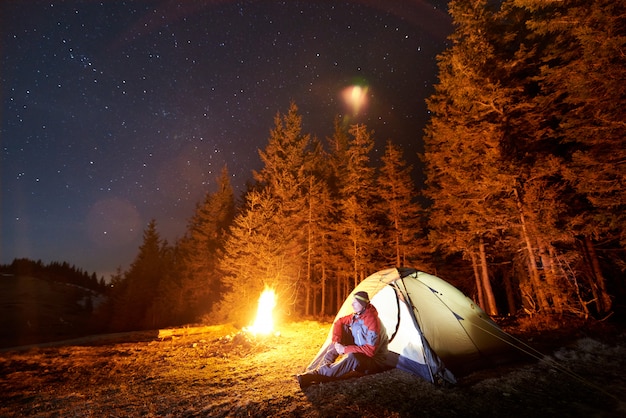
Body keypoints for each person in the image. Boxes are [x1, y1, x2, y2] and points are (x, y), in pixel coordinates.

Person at [297, 291, 389, 389]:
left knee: (352, 357)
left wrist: (345, 349)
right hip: (360, 350)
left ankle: (316, 374)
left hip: (373, 362)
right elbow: (339, 322)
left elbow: (370, 352)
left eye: (355, 302)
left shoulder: (372, 322)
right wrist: (337, 342)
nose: (352, 304)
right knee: (342, 331)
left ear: (362, 304)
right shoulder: (357, 315)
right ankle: (324, 367)